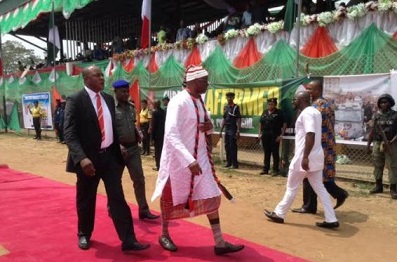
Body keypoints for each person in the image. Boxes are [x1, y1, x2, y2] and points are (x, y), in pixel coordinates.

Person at [151, 65, 244, 255]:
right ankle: (164, 234)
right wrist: (188, 160)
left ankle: (219, 242)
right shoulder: (178, 102)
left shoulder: (200, 101)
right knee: (170, 198)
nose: (207, 84)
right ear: (193, 81)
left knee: (212, 196)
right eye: (204, 81)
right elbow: (171, 134)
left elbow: (203, 128)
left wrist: (209, 127)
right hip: (178, 162)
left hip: (201, 160)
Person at [63, 66, 150, 252]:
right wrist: (82, 158)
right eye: (97, 75)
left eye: (102, 75)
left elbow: (111, 128)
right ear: (86, 79)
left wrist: (117, 145)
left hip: (110, 158)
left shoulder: (109, 99)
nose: (102, 78)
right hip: (88, 162)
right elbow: (69, 133)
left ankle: (128, 240)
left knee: (118, 199)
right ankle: (84, 234)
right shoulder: (76, 100)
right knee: (86, 199)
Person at [264, 91, 339, 229]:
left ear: (303, 99)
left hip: (304, 158)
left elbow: (310, 134)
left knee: (291, 187)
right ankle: (331, 218)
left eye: (295, 99)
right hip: (315, 157)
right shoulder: (315, 112)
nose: (293, 102)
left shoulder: (307, 113)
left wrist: (305, 157)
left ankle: (279, 213)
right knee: (320, 189)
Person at [292, 80, 349, 214]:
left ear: (318, 90)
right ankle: (311, 205)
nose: (308, 92)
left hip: (320, 146)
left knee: (312, 174)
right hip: (321, 145)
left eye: (311, 89)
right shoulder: (321, 104)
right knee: (315, 176)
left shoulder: (318, 107)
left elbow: (311, 131)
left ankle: (314, 204)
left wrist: (306, 151)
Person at [113, 80, 160, 220]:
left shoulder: (131, 107)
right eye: (123, 92)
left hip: (133, 148)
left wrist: (137, 134)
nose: (126, 94)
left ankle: (143, 210)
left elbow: (132, 124)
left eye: (127, 91)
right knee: (115, 182)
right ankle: (114, 207)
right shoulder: (111, 108)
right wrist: (118, 145)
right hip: (117, 150)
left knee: (139, 179)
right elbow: (110, 130)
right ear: (115, 92)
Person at [366, 94, 397, 199]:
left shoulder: (395, 115)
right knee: (377, 165)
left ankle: (393, 189)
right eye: (381, 102)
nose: (383, 104)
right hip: (377, 143)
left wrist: (392, 141)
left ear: (390, 103)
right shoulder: (376, 115)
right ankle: (378, 186)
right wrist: (368, 145)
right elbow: (372, 131)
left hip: (391, 144)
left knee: (392, 166)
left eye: (386, 102)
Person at [258, 98, 287, 176]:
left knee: (275, 153)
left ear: (275, 105)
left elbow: (284, 123)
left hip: (275, 135)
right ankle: (265, 169)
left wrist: (281, 135)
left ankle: (275, 170)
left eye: (272, 104)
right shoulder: (265, 112)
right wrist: (260, 133)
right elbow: (261, 123)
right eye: (269, 104)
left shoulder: (279, 113)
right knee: (266, 152)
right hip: (265, 134)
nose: (270, 105)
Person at [219, 92, 241, 169]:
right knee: (227, 146)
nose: (229, 98)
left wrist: (238, 130)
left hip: (233, 128)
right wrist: (221, 130)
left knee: (233, 146)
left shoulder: (236, 107)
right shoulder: (226, 107)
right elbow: (224, 119)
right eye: (228, 97)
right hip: (227, 128)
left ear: (233, 98)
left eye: (231, 97)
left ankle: (235, 164)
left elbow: (238, 119)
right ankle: (229, 162)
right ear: (226, 98)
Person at [149, 100, 165, 171]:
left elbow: (153, 125)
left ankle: (158, 166)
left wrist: (151, 138)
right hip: (163, 134)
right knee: (162, 150)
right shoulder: (164, 112)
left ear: (155, 105)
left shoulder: (155, 112)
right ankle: (163, 165)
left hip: (157, 135)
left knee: (157, 151)